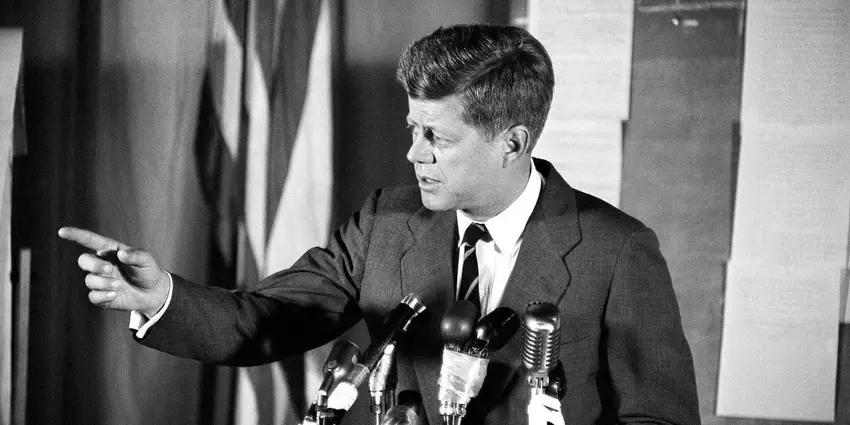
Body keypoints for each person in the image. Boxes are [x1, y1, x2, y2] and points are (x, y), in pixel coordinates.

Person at [59, 24, 700, 425]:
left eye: (436, 137)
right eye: (412, 129)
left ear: (512, 142)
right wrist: (161, 298)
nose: (413, 153)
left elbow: (660, 419)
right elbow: (267, 319)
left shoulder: (618, 251)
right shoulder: (386, 223)